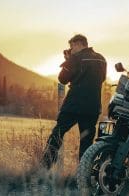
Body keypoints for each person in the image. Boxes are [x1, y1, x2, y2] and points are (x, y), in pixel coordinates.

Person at [41, 34, 107, 169]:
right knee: (86, 142)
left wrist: (68, 60)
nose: (71, 49)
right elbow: (101, 79)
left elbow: (63, 79)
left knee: (58, 133)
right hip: (92, 107)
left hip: (74, 104)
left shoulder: (75, 58)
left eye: (72, 46)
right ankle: (83, 174)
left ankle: (45, 167)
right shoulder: (102, 59)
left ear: (78, 44)